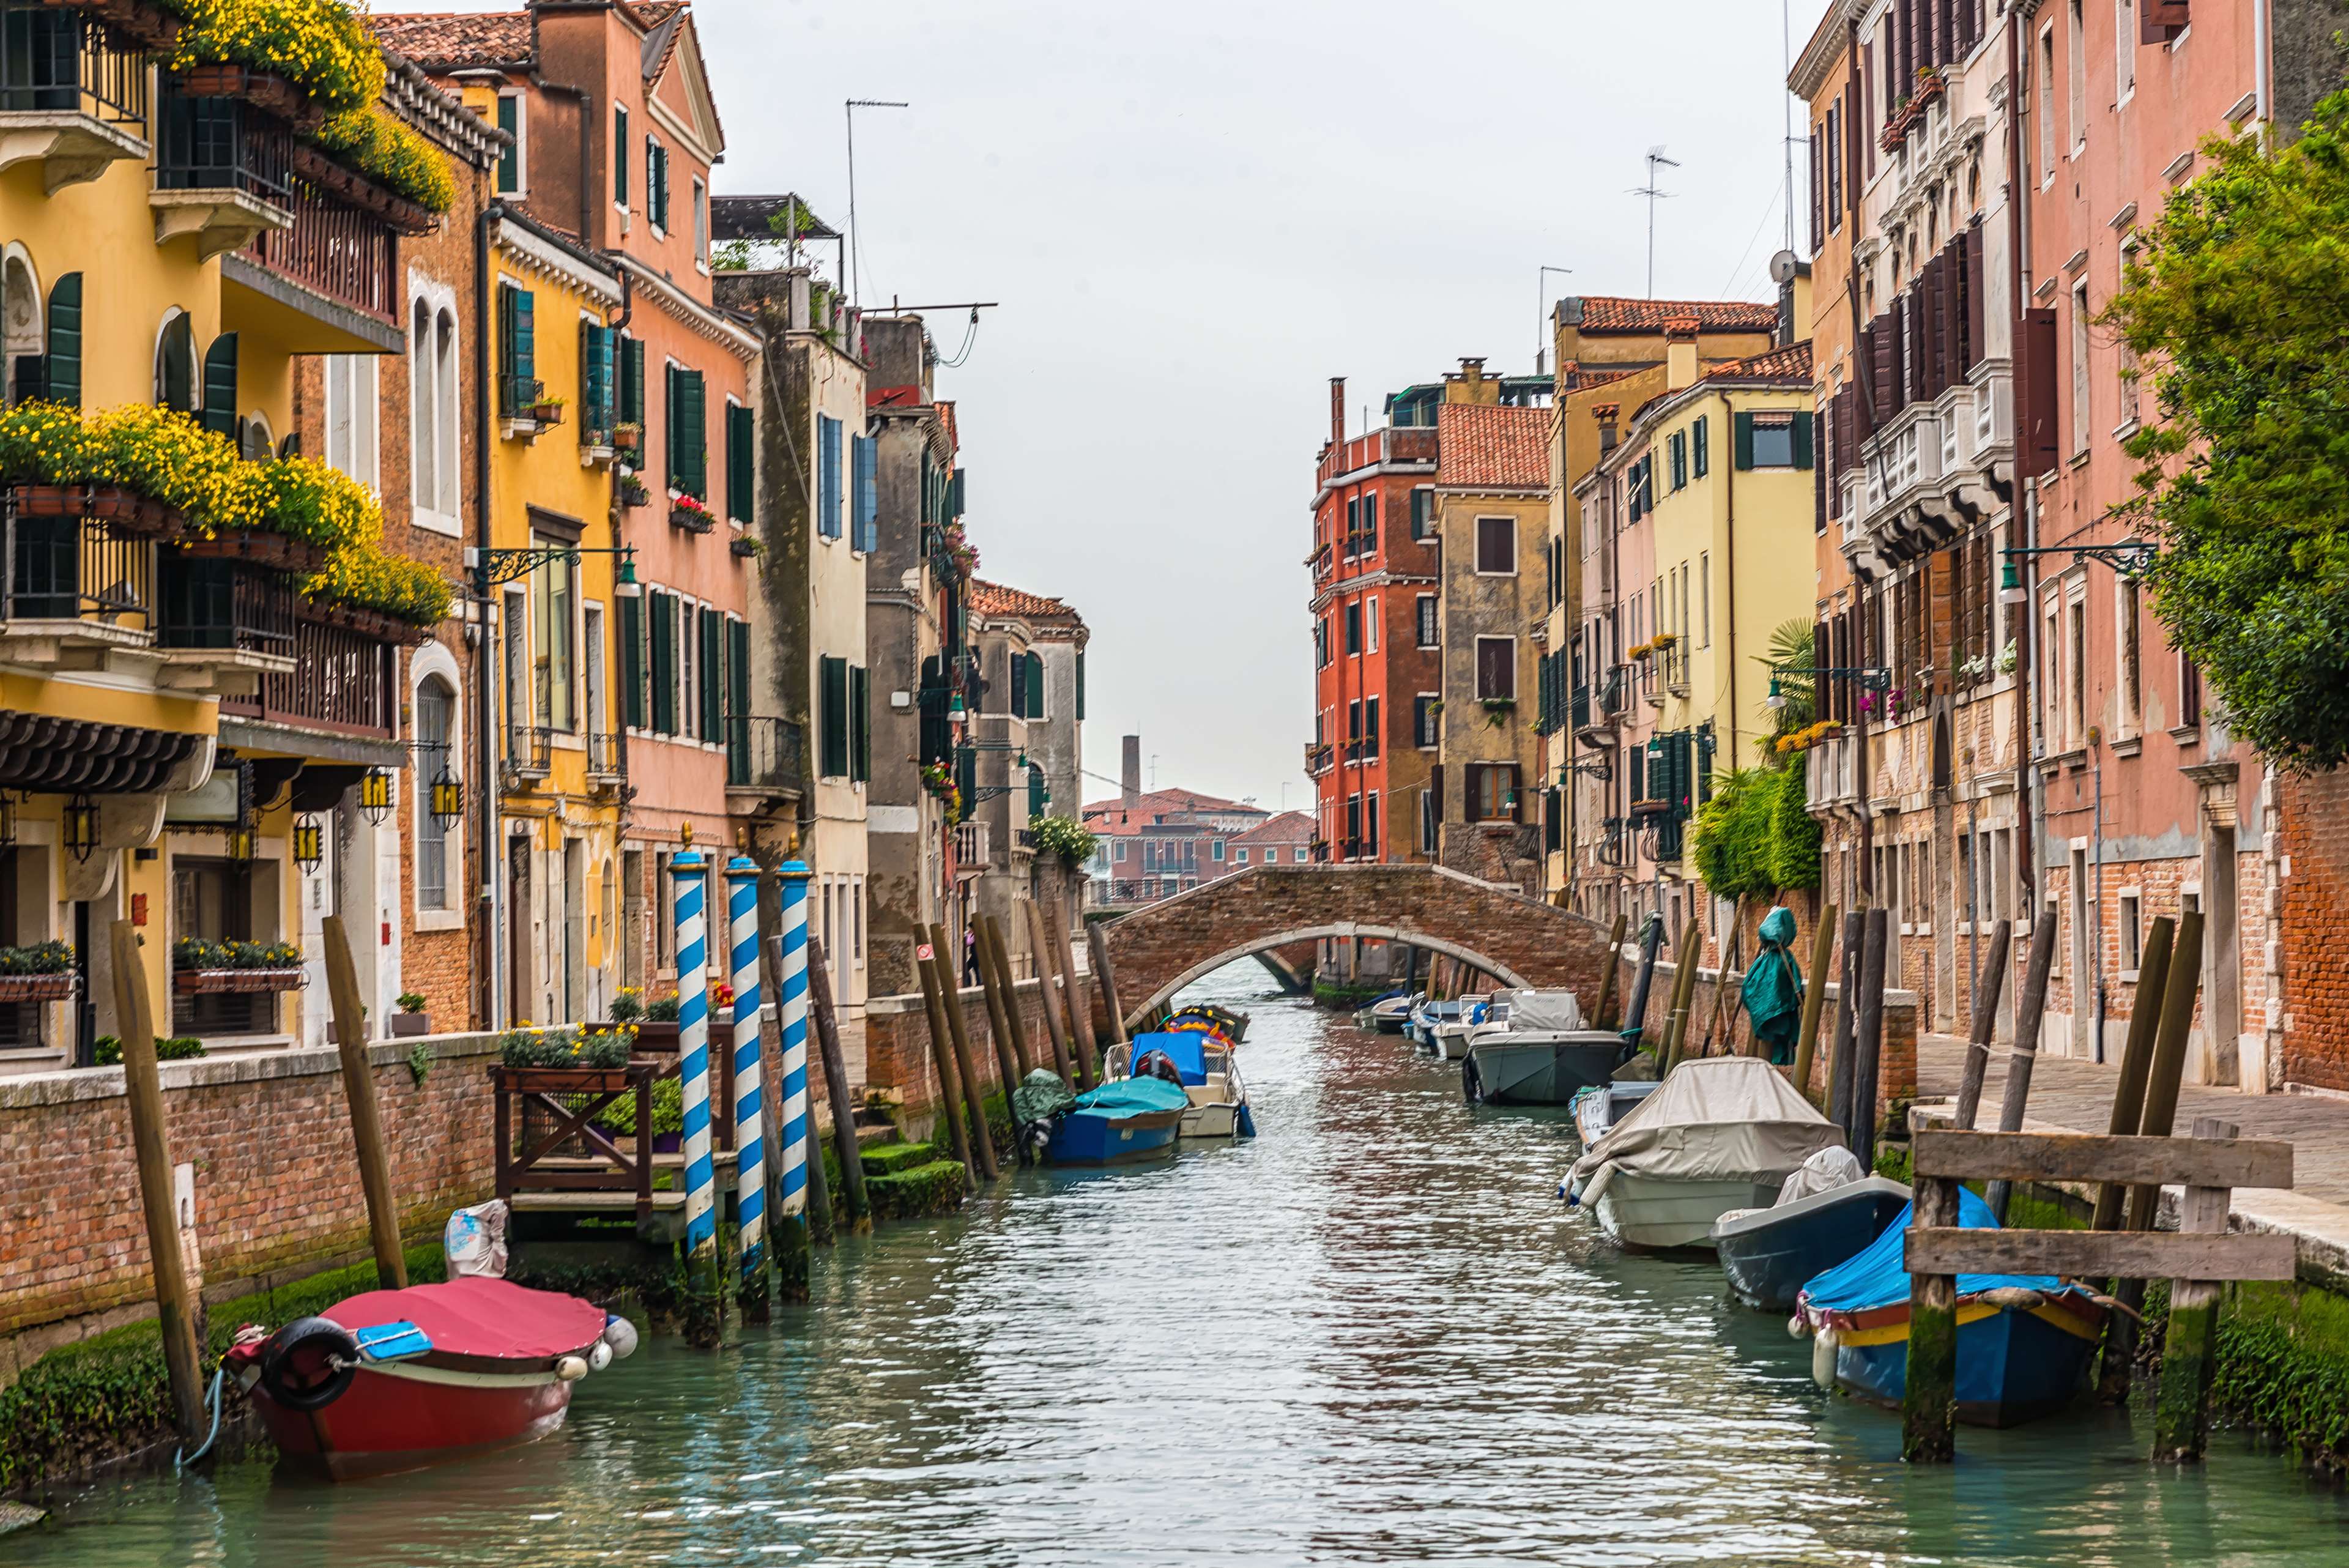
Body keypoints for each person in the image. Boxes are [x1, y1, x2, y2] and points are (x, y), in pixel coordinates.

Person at [1741, 905, 1805, 1066]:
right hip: (1780, 1014)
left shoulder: (1766, 960)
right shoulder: (1780, 959)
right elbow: (1795, 984)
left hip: (1778, 1014)